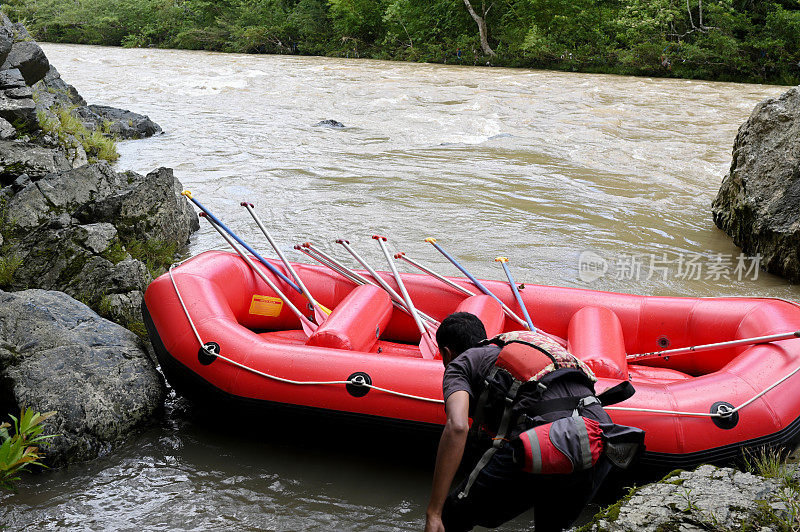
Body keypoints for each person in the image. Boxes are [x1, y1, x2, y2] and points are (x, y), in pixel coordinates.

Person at [424, 312, 616, 532]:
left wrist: (434, 512)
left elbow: (457, 426)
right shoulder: (515, 344)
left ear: (446, 353)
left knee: (451, 517)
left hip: (549, 439)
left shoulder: (460, 364)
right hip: (599, 438)